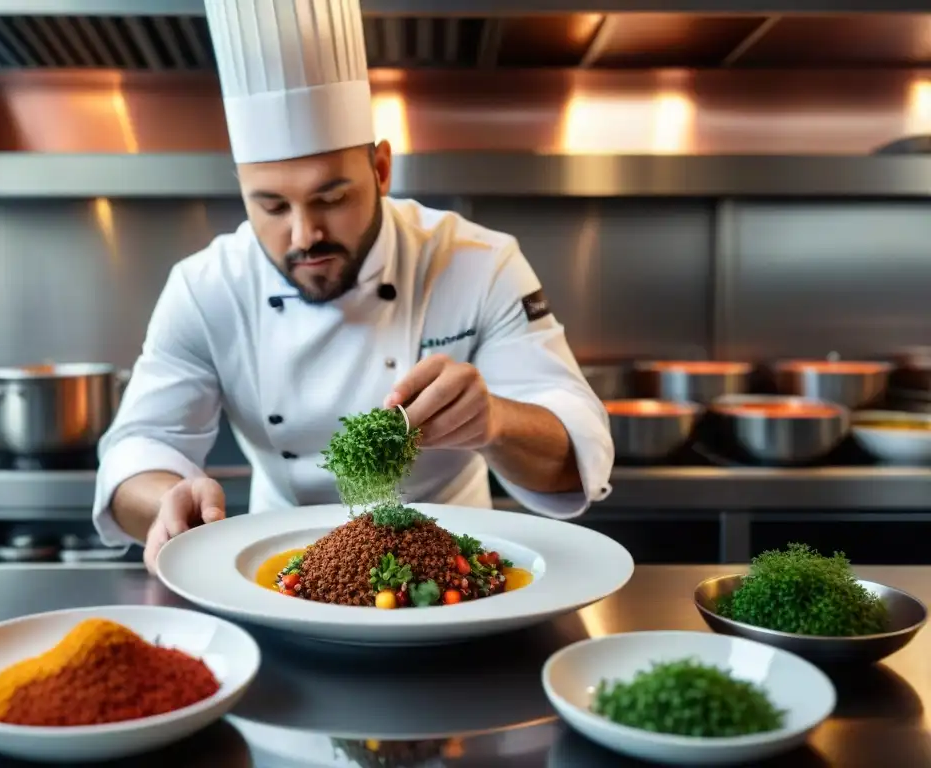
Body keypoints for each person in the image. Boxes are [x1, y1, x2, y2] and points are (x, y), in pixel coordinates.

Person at [92, 0, 615, 573]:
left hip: (456, 573)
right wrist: (165, 501)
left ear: (382, 170)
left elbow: (575, 455)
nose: (304, 235)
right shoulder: (206, 287)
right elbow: (139, 449)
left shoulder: (478, 263)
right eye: (270, 205)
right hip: (281, 574)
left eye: (332, 198)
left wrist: (495, 421)